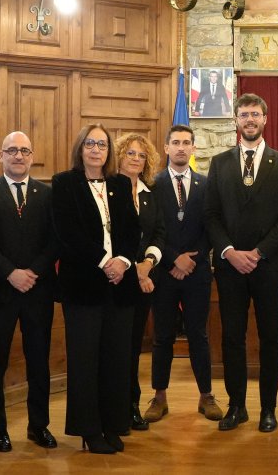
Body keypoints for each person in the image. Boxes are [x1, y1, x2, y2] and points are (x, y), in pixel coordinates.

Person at [205, 93, 278, 432]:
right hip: (230, 267)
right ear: (235, 120)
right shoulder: (219, 163)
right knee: (232, 338)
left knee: (271, 338)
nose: (249, 119)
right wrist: (230, 252)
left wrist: (258, 253)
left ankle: (268, 410)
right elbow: (211, 215)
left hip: (268, 266)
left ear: (265, 119)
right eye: (243, 114)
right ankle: (237, 406)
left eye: (255, 114)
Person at [52, 124, 140, 454]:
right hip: (83, 287)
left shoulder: (119, 183)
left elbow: (133, 230)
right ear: (81, 148)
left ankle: (113, 424)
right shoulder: (65, 184)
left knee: (116, 359)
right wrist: (106, 261)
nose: (95, 149)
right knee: (85, 361)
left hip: (120, 287)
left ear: (108, 151)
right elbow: (68, 233)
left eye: (101, 144)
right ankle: (89, 430)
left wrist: (124, 262)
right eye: (89, 143)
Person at [0, 131, 58, 454]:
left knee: (38, 361)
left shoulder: (47, 193)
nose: (18, 156)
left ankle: (38, 425)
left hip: (38, 292)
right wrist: (10, 273)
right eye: (11, 150)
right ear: (0, 155)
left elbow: (56, 240)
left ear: (32, 156)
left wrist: (33, 272)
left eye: (24, 150)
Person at [142, 125, 222, 423]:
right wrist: (175, 259)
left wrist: (192, 259)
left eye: (186, 143)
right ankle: (159, 397)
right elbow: (152, 228)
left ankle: (206, 396)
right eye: (175, 142)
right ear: (165, 148)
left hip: (198, 271)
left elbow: (212, 226)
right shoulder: (152, 184)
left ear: (193, 149)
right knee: (162, 336)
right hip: (163, 272)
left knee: (199, 335)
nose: (180, 148)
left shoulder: (205, 184)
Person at [115, 133, 165, 432]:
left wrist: (148, 265)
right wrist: (137, 271)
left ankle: (132, 405)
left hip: (143, 280)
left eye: (141, 155)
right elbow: (110, 236)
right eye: (130, 153)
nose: (135, 158)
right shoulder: (107, 189)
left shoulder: (150, 194)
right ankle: (114, 406)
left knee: (133, 348)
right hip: (114, 280)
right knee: (115, 347)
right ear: (119, 155)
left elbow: (158, 234)